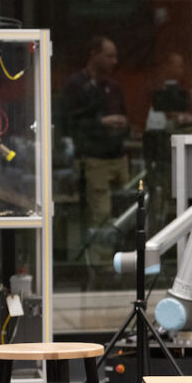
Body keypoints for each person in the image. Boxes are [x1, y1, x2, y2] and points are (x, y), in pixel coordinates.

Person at [61, 35, 130, 241]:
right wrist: (100, 123)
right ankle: (103, 265)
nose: (114, 61)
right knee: (101, 213)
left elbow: (126, 118)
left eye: (115, 57)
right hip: (93, 159)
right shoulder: (75, 86)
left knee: (128, 211)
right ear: (94, 54)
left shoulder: (114, 88)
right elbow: (67, 125)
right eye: (109, 56)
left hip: (118, 157)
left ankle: (127, 257)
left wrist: (122, 124)